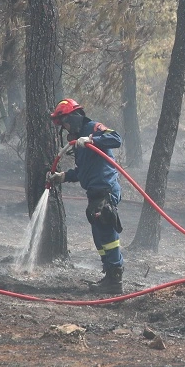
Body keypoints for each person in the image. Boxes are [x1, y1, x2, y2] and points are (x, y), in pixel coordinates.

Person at [45, 98, 125, 294]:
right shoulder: (78, 143)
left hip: (106, 189)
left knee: (107, 233)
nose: (64, 128)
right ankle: (109, 275)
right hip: (94, 193)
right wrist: (63, 176)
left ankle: (115, 279)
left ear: (73, 118)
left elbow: (116, 139)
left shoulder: (93, 128)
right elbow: (83, 171)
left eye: (64, 123)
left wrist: (92, 140)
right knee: (99, 236)